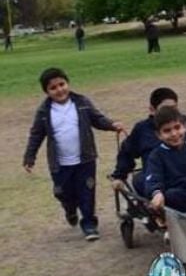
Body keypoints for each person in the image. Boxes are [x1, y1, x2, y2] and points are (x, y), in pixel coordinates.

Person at [23, 68, 126, 241]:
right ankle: (70, 209)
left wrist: (112, 125)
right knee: (62, 192)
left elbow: (97, 119)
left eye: (62, 84)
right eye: (53, 88)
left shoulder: (82, 102)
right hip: (60, 163)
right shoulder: (44, 111)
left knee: (87, 191)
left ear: (68, 83)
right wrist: (29, 157)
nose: (59, 90)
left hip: (85, 159)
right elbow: (36, 135)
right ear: (47, 92)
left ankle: (89, 223)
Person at [111, 87, 186, 195]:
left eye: (174, 108)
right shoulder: (142, 129)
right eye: (165, 109)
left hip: (185, 175)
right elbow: (127, 152)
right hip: (157, 178)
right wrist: (119, 176)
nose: (174, 134)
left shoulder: (184, 122)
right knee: (139, 180)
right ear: (152, 110)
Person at [144, 106, 186, 214]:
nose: (174, 134)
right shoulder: (156, 156)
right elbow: (153, 178)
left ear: (185, 126)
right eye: (167, 131)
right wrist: (157, 193)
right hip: (181, 195)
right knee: (171, 195)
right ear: (159, 135)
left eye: (177, 127)